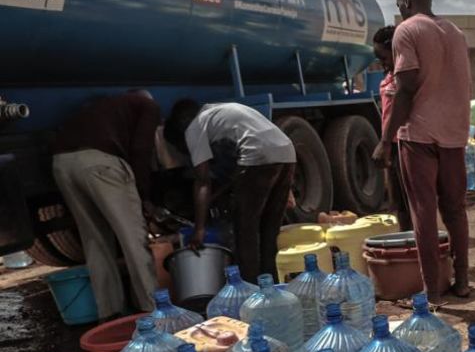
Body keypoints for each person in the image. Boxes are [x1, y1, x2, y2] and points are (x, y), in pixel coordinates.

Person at [371, 0, 470, 299]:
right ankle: (463, 281)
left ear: (404, 3)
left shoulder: (407, 30)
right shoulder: (455, 32)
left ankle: (432, 292)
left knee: (423, 211)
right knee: (455, 209)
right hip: (454, 133)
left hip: (419, 136)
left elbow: (407, 87)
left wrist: (386, 140)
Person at [52, 90, 161, 318]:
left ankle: (109, 311)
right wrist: (144, 196)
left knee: (94, 240)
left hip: (62, 164)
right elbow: (142, 150)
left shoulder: (106, 105)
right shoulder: (147, 105)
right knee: (133, 238)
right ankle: (153, 309)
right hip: (100, 163)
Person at [164, 100, 294, 284]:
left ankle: (250, 288)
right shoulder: (217, 111)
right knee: (269, 229)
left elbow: (202, 181)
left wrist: (199, 230)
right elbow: (239, 176)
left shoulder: (194, 127)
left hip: (258, 156)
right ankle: (271, 282)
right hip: (287, 151)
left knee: (244, 229)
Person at [374, 25, 412, 232]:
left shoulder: (405, 78)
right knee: (397, 201)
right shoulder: (389, 77)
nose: (382, 62)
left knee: (409, 200)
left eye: (383, 56)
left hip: (405, 143)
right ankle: (407, 238)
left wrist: (386, 142)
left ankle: (415, 242)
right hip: (393, 145)